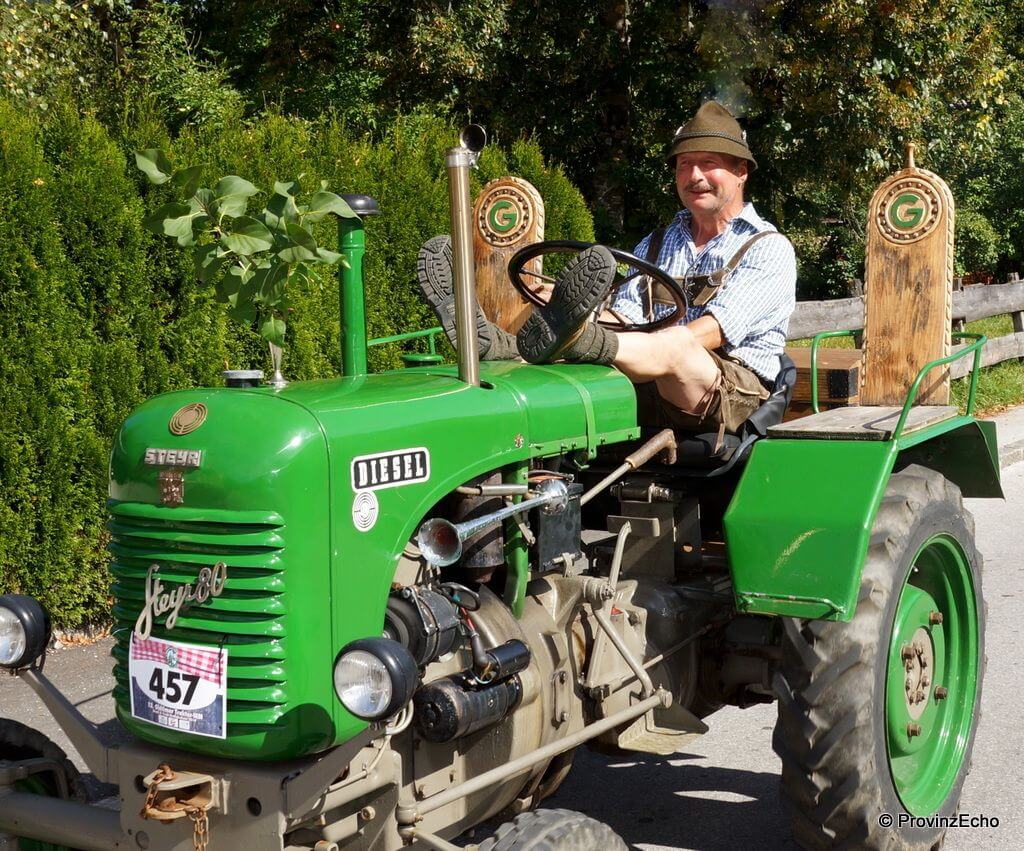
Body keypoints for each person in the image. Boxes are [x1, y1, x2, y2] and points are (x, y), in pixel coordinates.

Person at [417, 101, 796, 435]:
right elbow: (625, 316)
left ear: (741, 171)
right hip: (649, 381)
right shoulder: (657, 242)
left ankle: (574, 340)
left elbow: (711, 333)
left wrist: (588, 337)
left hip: (730, 393)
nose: (694, 176)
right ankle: (501, 347)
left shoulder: (768, 248)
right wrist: (582, 316)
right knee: (586, 334)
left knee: (678, 344)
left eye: (708, 164)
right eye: (684, 165)